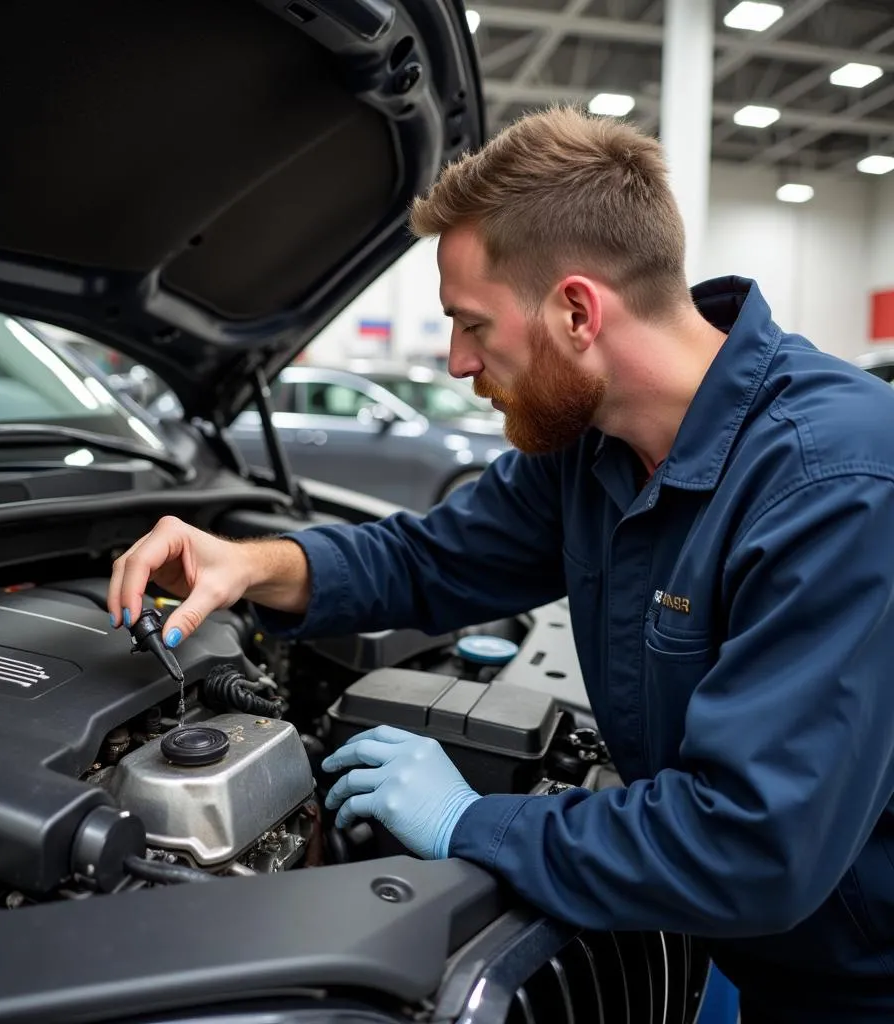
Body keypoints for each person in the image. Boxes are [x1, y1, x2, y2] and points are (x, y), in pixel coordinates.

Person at [106, 105, 894, 1022]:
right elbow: (428, 559)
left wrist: (468, 822)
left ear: (575, 310)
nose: (453, 361)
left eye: (471, 324)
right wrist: (244, 565)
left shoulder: (836, 485)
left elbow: (755, 849)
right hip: (753, 954)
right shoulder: (590, 450)